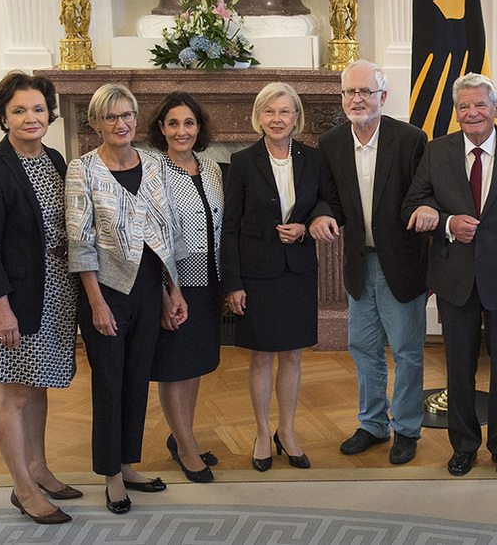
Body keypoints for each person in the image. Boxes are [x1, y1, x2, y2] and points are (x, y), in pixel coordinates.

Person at [402, 73, 497, 479]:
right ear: (456, 112)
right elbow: (412, 205)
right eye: (463, 106)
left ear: (495, 109)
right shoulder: (436, 152)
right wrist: (447, 223)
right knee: (458, 369)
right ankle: (464, 446)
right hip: (455, 279)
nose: (472, 113)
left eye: (480, 104)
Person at [66, 83, 189, 514]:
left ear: (136, 120)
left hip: (149, 286)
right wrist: (97, 303)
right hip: (106, 292)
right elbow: (79, 242)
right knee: (109, 381)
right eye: (111, 117)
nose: (121, 125)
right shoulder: (82, 169)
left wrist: (172, 290)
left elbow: (168, 228)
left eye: (127, 116)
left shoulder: (154, 164)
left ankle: (128, 464)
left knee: (138, 378)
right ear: (96, 122)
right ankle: (111, 475)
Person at [0, 72, 80, 525]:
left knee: (37, 388)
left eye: (38, 109)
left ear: (49, 114)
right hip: (14, 300)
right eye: (19, 110)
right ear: (3, 117)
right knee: (14, 394)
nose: (30, 117)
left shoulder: (54, 159)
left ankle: (39, 469)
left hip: (55, 290)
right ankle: (22, 488)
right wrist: (0, 308)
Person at [309, 60, 430, 465]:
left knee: (408, 351)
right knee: (362, 348)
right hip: (359, 264)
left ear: (383, 96)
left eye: (365, 91)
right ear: (342, 97)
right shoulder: (331, 143)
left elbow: (425, 194)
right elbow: (327, 196)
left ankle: (407, 428)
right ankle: (373, 424)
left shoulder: (411, 139)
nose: (357, 99)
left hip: (402, 262)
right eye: (349, 92)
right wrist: (322, 214)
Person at [221, 82, 336, 472]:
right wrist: (233, 283)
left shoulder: (313, 159)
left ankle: (286, 431)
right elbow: (230, 226)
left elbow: (327, 200)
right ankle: (260, 432)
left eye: (284, 111)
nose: (277, 119)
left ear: (296, 118)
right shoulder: (242, 161)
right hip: (257, 274)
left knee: (292, 356)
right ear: (259, 117)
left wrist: (307, 226)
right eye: (269, 111)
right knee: (261, 357)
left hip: (299, 270)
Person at [147, 92, 224, 483]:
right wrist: (164, 290)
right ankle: (186, 447)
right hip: (173, 282)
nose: (182, 131)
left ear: (199, 127)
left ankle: (183, 437)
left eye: (189, 123)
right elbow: (150, 233)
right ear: (161, 128)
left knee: (194, 363)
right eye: (173, 123)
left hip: (208, 278)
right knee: (175, 367)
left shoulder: (210, 167)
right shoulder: (150, 169)